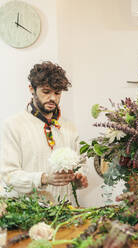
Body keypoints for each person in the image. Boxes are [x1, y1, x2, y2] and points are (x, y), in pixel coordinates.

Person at [0, 61, 88, 204]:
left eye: (57, 93)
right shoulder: (13, 125)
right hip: (27, 214)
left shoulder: (70, 127)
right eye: (46, 92)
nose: (53, 98)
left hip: (65, 212)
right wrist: (44, 178)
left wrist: (80, 177)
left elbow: (82, 164)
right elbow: (8, 175)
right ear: (32, 89)